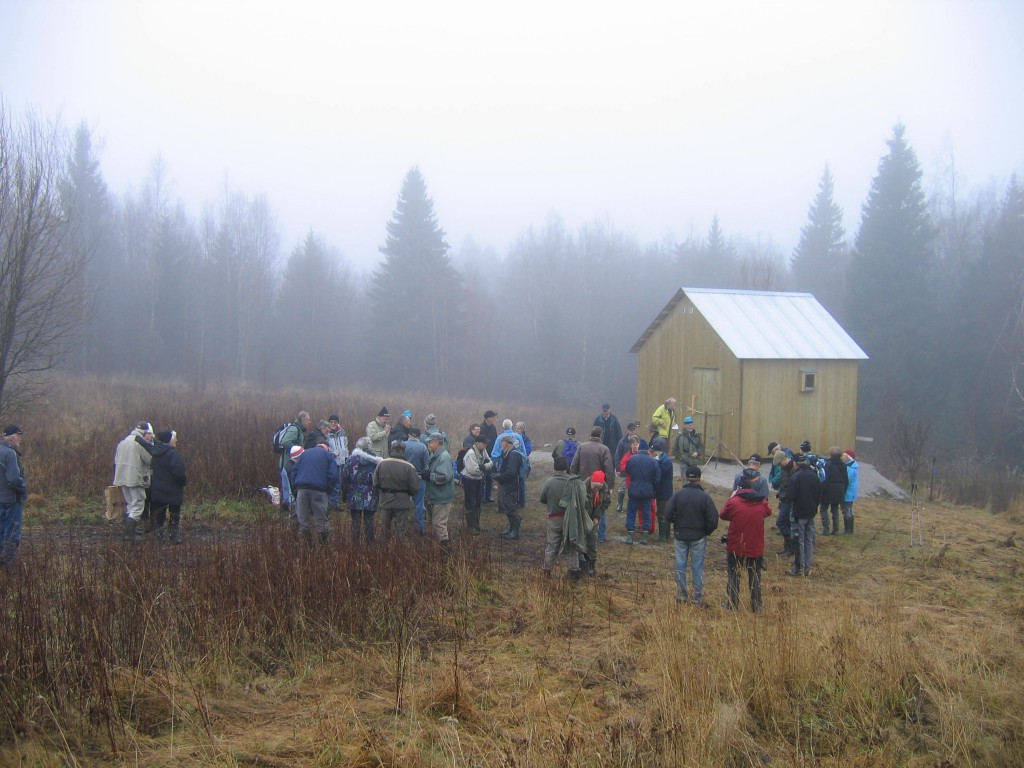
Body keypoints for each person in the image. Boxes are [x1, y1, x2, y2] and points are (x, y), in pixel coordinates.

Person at [666, 464, 719, 607]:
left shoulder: (677, 495)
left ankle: (682, 595)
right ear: (699, 479)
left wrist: (676, 524)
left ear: (686, 478)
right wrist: (705, 531)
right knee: (697, 566)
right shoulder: (705, 497)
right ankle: (697, 597)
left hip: (680, 535)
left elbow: (667, 515)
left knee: (680, 565)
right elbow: (713, 520)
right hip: (698, 537)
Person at [720, 472, 772, 612]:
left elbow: (723, 515)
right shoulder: (762, 502)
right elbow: (768, 512)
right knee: (754, 575)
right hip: (755, 546)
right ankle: (757, 605)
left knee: (734, 575)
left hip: (736, 545)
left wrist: (732, 497)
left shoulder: (734, 502)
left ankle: (733, 604)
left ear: (739, 488)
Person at [571, 427, 616, 543]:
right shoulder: (604, 449)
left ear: (590, 434)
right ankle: (600, 536)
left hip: (582, 484)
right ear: (601, 435)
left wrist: (573, 480)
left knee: (583, 509)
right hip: (600, 485)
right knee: (599, 508)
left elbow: (574, 466)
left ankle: (583, 534)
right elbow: (609, 469)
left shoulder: (581, 447)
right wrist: (610, 486)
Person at [293, 437, 340, 547]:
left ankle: (308, 547)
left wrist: (296, 488)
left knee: (303, 519)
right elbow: (333, 475)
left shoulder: (304, 454)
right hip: (319, 491)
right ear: (327, 448)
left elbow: (294, 472)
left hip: (302, 489)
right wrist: (328, 490)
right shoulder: (328, 455)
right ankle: (323, 548)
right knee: (321, 520)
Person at [113, 421, 155, 541]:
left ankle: (130, 530)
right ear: (145, 433)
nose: (150, 437)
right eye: (149, 434)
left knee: (130, 504)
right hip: (135, 478)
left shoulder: (124, 441)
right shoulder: (139, 442)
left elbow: (116, 459)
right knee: (138, 504)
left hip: (122, 477)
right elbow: (150, 459)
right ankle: (130, 534)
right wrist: (151, 446)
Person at [373, 441, 420, 539]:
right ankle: (399, 552)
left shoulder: (381, 463)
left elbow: (375, 483)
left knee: (384, 530)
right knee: (401, 531)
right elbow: (414, 488)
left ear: (391, 449)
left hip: (385, 501)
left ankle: (383, 552)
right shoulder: (409, 467)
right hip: (402, 502)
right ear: (403, 451)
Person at [340, 437, 382, 547]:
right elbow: (380, 478)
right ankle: (370, 545)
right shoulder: (376, 461)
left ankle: (355, 545)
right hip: (370, 493)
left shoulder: (351, 459)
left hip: (354, 493)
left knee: (355, 520)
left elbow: (345, 477)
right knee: (369, 520)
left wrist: (344, 495)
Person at [148, 430, 187, 544]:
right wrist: (183, 481)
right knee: (174, 513)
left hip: (157, 489)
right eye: (174, 438)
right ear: (169, 440)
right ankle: (173, 536)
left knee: (159, 515)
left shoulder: (155, 453)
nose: (176, 440)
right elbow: (178, 472)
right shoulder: (173, 453)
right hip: (172, 490)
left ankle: (158, 537)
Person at [786, 453, 822, 577]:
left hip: (798, 514)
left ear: (796, 464)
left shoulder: (795, 477)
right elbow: (818, 495)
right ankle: (807, 567)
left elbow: (791, 496)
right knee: (808, 540)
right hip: (811, 514)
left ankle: (798, 568)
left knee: (798, 541)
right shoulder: (814, 476)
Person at [539, 456, 573, 577]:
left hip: (554, 518)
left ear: (555, 468)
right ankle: (572, 571)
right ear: (567, 468)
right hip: (570, 520)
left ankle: (547, 571)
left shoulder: (549, 482)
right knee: (571, 546)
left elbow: (542, 499)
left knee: (552, 546)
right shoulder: (572, 482)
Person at [624, 441, 660, 545]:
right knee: (646, 513)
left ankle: (630, 536)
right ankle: (645, 537)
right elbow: (657, 478)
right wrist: (654, 489)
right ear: (647, 449)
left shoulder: (632, 459)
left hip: (634, 490)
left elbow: (627, 471)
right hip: (648, 491)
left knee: (631, 513)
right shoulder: (653, 461)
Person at [0, 425, 27, 567]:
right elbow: (14, 479)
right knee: (12, 535)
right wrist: (23, 490)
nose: (20, 439)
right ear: (12, 437)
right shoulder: (10, 453)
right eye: (19, 435)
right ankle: (9, 569)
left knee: (1, 531)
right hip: (11, 500)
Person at [424, 431, 455, 552]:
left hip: (442, 496)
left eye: (430, 442)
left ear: (437, 443)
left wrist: (429, 476)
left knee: (439, 524)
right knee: (437, 523)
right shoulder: (436, 455)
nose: (428, 444)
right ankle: (441, 549)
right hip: (438, 494)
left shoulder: (444, 456)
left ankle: (445, 552)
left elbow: (443, 477)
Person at [277, 411, 310, 513]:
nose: (310, 422)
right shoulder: (294, 429)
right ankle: (288, 510)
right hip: (288, 463)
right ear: (303, 420)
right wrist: (296, 451)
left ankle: (289, 508)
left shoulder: (299, 429)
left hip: (292, 463)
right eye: (308, 420)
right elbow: (284, 441)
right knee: (288, 486)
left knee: (290, 486)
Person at [461, 433, 492, 534]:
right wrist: (484, 467)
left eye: (486, 444)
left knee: (478, 502)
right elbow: (473, 470)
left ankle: (476, 525)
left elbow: (490, 462)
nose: (485, 445)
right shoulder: (470, 453)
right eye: (484, 444)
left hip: (479, 479)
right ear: (478, 443)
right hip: (469, 480)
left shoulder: (483, 451)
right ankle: (470, 527)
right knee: (471, 502)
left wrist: (483, 467)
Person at [614, 423, 647, 515]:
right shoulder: (622, 441)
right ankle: (619, 504)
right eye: (631, 430)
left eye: (634, 430)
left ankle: (633, 505)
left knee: (634, 488)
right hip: (625, 468)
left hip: (637, 469)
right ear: (628, 430)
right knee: (623, 486)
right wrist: (618, 469)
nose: (632, 432)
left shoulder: (640, 439)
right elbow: (617, 455)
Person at [496, 435, 524, 539]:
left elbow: (511, 472)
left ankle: (515, 532)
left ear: (506, 443)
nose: (501, 445)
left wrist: (499, 476)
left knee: (509, 507)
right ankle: (511, 529)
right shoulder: (509, 453)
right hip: (508, 484)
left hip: (510, 485)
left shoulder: (513, 455)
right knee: (507, 506)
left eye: (502, 443)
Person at [404, 427, 429, 533]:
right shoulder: (423, 447)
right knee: (419, 504)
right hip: (419, 478)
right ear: (419, 436)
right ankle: (420, 528)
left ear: (409, 435)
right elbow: (426, 466)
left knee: (404, 503)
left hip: (404, 478)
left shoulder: (403, 445)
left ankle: (403, 527)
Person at [821, 446, 849, 535]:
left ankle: (826, 529)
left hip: (829, 489)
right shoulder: (843, 465)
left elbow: (825, 478)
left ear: (830, 455)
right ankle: (835, 529)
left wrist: (821, 490)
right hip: (839, 489)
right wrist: (843, 490)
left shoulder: (828, 465)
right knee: (835, 509)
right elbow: (846, 480)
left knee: (823, 508)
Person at [651, 439, 674, 542]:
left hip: (664, 492)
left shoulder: (665, 461)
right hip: (664, 491)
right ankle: (666, 535)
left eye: (654, 452)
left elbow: (659, 474)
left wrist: (655, 462)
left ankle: (662, 536)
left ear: (658, 451)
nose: (652, 453)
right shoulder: (664, 459)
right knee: (664, 512)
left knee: (662, 513)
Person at [326, 415, 349, 508]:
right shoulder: (326, 433)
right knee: (333, 482)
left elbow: (345, 445)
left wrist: (347, 457)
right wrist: (332, 454)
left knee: (339, 482)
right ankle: (332, 503)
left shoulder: (342, 432)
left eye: (335, 422)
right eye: (331, 421)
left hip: (342, 461)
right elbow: (326, 448)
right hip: (332, 461)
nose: (333, 424)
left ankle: (336, 502)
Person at [480, 410, 499, 503]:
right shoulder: (481, 427)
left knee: (490, 478)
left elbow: (496, 440)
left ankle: (488, 496)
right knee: (483, 477)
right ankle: (482, 497)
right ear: (487, 418)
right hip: (483, 456)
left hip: (492, 455)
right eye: (493, 417)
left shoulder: (493, 427)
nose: (494, 418)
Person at [514, 421, 532, 508]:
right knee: (513, 481)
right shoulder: (512, 436)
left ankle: (521, 502)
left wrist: (521, 456)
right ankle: (514, 500)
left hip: (522, 462)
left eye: (519, 428)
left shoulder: (525, 439)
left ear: (522, 429)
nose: (517, 430)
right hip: (513, 462)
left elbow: (528, 449)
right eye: (516, 428)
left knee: (521, 481)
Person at [842, 450, 859, 534]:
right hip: (851, 493)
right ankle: (850, 529)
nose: (843, 457)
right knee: (849, 510)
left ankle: (847, 530)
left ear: (848, 457)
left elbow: (846, 481)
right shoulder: (852, 467)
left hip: (848, 493)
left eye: (845, 456)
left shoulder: (850, 469)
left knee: (846, 510)